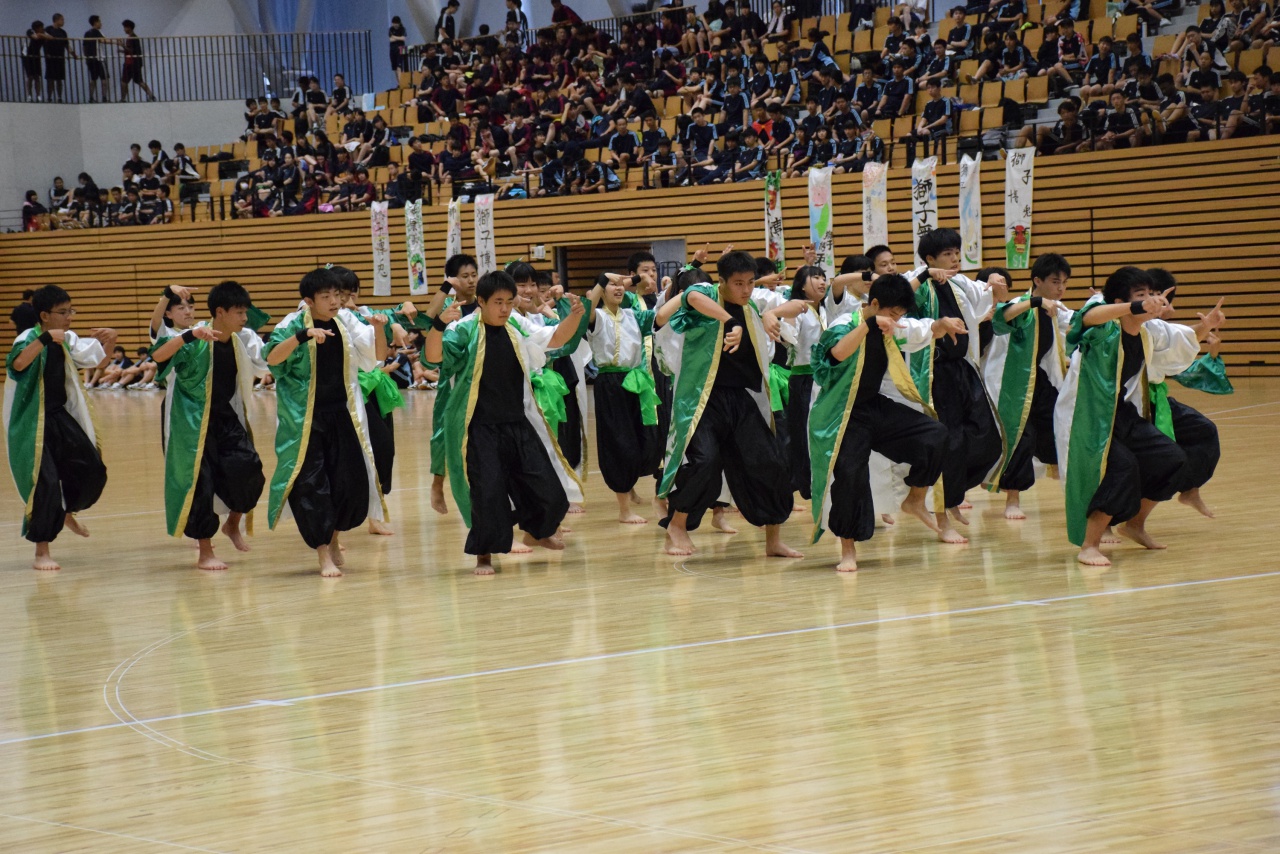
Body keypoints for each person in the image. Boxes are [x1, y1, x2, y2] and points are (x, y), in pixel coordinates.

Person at [1055, 266, 1223, 567]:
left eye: (1153, 294)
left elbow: (1179, 341)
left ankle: (1134, 524)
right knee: (1123, 467)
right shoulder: (1105, 329)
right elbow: (1087, 317)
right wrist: (1136, 306)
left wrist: (1206, 325)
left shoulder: (1148, 332)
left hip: (1122, 414)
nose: (1151, 300)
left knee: (1171, 458)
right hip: (1088, 415)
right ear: (1122, 301)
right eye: (1142, 295)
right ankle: (1089, 545)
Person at [425, 271, 586, 575]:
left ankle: (535, 531)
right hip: (478, 427)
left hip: (517, 423)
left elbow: (555, 338)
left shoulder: (516, 324)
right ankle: (484, 554)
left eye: (509, 302)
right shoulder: (463, 329)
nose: (504, 309)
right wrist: (439, 324)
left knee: (550, 490)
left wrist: (575, 316)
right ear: (482, 302)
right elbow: (433, 357)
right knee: (487, 494)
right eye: (497, 302)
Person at [657, 250, 803, 560]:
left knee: (770, 462)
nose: (746, 290)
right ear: (721, 281)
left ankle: (773, 539)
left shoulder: (753, 303)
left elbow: (798, 303)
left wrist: (771, 314)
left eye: (750, 282)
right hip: (703, 398)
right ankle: (677, 525)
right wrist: (729, 321)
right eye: (738, 283)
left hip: (741, 398)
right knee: (703, 461)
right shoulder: (706, 295)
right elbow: (692, 297)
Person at [265, 268, 389, 576]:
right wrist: (302, 336)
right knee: (312, 485)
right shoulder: (291, 325)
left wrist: (379, 328)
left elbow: (376, 356)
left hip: (342, 415)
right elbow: (272, 359)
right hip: (305, 420)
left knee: (348, 482)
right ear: (308, 300)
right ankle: (322, 553)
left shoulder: (346, 322)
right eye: (326, 296)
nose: (334, 301)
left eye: (337, 295)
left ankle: (334, 538)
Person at [149, 281, 268, 571]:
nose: (244, 318)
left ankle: (232, 524)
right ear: (220, 312)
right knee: (199, 485)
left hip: (226, 418)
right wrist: (189, 335)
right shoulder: (195, 336)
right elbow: (158, 355)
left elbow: (269, 359)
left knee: (250, 470)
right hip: (192, 421)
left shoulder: (243, 338)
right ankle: (204, 551)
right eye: (239, 313)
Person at [4, 285, 116, 571]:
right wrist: (43, 339)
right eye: (63, 312)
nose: (69, 318)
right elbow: (16, 364)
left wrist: (110, 342)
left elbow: (99, 360)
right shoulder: (27, 338)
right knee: (45, 484)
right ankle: (42, 551)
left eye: (71, 311)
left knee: (92, 469)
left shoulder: (67, 340)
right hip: (33, 423)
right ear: (44, 315)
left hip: (59, 417)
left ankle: (66, 509)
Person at [908, 228, 1007, 543]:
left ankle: (952, 499)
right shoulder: (919, 284)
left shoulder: (960, 283)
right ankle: (941, 515)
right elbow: (899, 301)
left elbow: (988, 295)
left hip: (964, 371)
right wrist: (925, 276)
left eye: (955, 253)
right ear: (930, 259)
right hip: (935, 375)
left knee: (985, 436)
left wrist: (995, 286)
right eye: (946, 255)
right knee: (946, 444)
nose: (954, 260)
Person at [983, 252, 1073, 520]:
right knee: (1022, 437)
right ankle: (1012, 499)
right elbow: (1001, 317)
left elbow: (1080, 323)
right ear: (1037, 280)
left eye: (1065, 283)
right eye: (1056, 282)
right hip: (1013, 383)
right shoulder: (1023, 305)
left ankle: (1070, 483)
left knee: (1062, 424)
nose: (1061, 288)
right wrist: (1033, 301)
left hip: (1040, 380)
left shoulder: (1054, 310)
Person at [584, 272, 663, 524]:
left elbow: (660, 316)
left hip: (635, 381)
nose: (618, 289)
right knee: (618, 443)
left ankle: (640, 489)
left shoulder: (632, 315)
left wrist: (678, 292)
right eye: (612, 285)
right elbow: (588, 305)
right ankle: (624, 509)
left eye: (621, 285)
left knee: (646, 441)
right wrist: (602, 279)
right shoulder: (597, 317)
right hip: (609, 384)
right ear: (602, 289)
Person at [420, 253, 481, 515]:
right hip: (453, 376)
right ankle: (437, 483)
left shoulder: (485, 302)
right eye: (463, 276)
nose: (470, 280)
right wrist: (446, 288)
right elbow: (426, 324)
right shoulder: (450, 307)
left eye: (473, 275)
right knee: (443, 432)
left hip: (480, 375)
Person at [118, 19, 156, 102]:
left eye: (125, 27)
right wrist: (122, 50)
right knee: (139, 80)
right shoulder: (134, 37)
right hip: (136, 63)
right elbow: (132, 50)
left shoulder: (132, 38)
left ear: (129, 28)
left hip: (130, 63)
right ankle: (151, 95)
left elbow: (131, 50)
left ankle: (123, 99)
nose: (124, 29)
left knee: (124, 82)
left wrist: (122, 46)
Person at [43, 13, 76, 104]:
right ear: (56, 20)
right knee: (50, 78)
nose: (63, 21)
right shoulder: (48, 29)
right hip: (50, 58)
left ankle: (59, 97)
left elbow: (66, 45)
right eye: (62, 20)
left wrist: (73, 54)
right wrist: (46, 53)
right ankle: (49, 97)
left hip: (60, 57)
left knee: (59, 79)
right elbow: (44, 42)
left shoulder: (63, 32)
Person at [24, 21, 45, 103]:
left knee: (37, 76)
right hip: (27, 56)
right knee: (30, 76)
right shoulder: (30, 31)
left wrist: (41, 34)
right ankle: (29, 95)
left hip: (36, 56)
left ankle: (38, 95)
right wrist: (41, 35)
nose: (42, 29)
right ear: (36, 28)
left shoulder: (43, 33)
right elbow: (35, 37)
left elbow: (51, 37)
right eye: (41, 27)